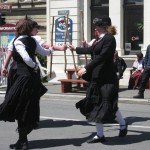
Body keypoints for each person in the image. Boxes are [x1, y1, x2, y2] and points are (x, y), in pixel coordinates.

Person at [0, 19, 66, 150]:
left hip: (23, 78)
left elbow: (26, 58)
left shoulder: (18, 41)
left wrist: (34, 65)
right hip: (32, 79)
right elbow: (45, 52)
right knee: (25, 108)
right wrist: (56, 49)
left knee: (15, 105)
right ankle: (22, 141)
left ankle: (23, 141)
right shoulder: (33, 40)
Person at [68, 17, 127, 143]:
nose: (95, 28)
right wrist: (76, 49)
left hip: (107, 78)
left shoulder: (110, 39)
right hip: (96, 77)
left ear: (104, 27)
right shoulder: (99, 40)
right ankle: (100, 135)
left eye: (98, 26)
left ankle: (123, 124)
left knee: (109, 105)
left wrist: (86, 67)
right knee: (96, 105)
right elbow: (91, 50)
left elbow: (102, 56)